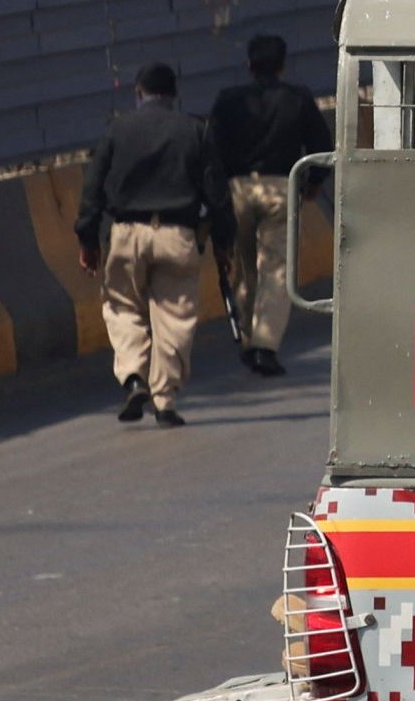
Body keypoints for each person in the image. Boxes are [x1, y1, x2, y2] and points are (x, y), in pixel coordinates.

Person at [77, 63, 227, 426]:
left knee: (122, 307)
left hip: (127, 233)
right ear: (174, 95)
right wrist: (224, 243)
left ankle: (132, 377)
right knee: (174, 316)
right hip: (177, 235)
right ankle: (165, 399)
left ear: (138, 92)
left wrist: (88, 240)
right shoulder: (195, 129)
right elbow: (217, 194)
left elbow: (93, 189)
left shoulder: (117, 130)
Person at [209, 35, 333, 377]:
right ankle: (266, 346)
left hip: (238, 190)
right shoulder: (297, 99)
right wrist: (313, 183)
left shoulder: (227, 100)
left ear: (249, 66)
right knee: (276, 270)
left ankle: (247, 340)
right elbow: (322, 145)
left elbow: (211, 152)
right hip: (281, 188)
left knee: (245, 268)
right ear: (282, 65)